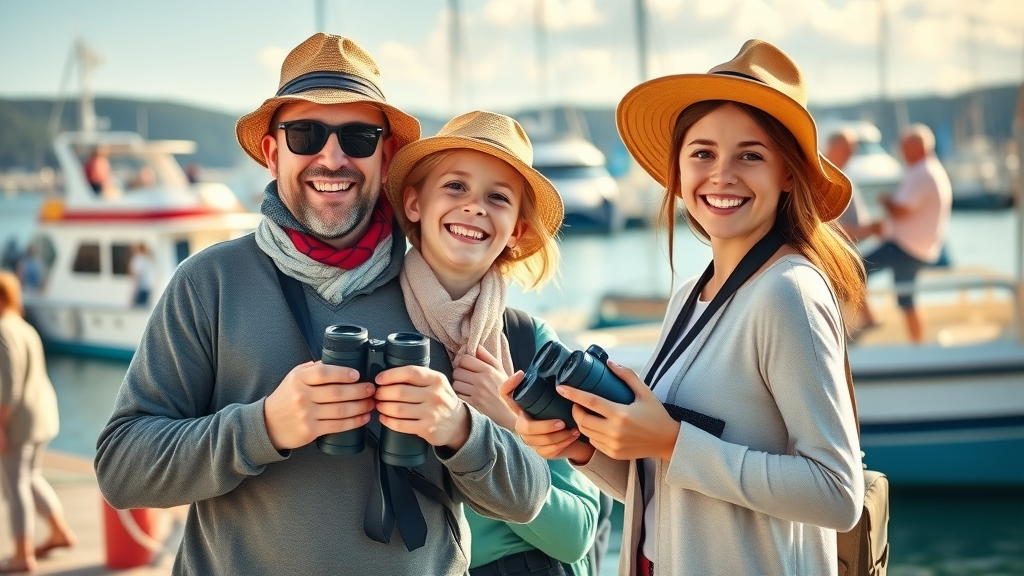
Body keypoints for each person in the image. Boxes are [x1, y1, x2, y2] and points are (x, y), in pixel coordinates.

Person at [94, 33, 550, 576]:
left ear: (386, 155)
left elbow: (527, 498)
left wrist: (458, 428)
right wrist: (265, 426)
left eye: (357, 137)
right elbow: (122, 469)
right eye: (305, 134)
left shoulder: (447, 297)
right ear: (272, 153)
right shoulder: (210, 281)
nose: (331, 157)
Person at [500, 39, 865, 575]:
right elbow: (672, 490)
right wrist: (581, 447)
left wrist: (671, 440)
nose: (722, 174)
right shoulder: (689, 296)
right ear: (678, 170)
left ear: (788, 174)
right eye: (702, 154)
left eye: (750, 155)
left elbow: (836, 493)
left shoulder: (788, 292)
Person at [385, 110, 600, 576]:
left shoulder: (530, 345)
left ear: (517, 232)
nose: (475, 206)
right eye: (456, 186)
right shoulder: (379, 332)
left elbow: (577, 534)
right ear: (415, 203)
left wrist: (509, 421)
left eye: (498, 197)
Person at [0, 271, 77, 574]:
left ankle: (22, 554)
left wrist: (0, 425)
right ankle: (59, 531)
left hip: (18, 420)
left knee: (15, 483)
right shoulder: (24, 326)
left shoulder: (2, 330)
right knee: (31, 477)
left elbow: (9, 386)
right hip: (42, 415)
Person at [854, 123, 952, 343]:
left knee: (855, 269)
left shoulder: (922, 172)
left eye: (904, 146)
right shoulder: (929, 170)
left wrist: (885, 200)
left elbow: (901, 210)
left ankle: (870, 319)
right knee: (907, 300)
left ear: (917, 147)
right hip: (916, 246)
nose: (901, 151)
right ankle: (917, 346)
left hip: (905, 246)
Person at [823, 128, 872, 240]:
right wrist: (871, 229)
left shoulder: (842, 177)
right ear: (833, 148)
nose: (851, 152)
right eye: (846, 148)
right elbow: (828, 230)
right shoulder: (824, 179)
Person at [127, 243, 153, 307]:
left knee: (137, 309)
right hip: (147, 287)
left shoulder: (137, 259)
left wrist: (132, 294)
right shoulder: (146, 259)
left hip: (139, 289)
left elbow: (136, 276)